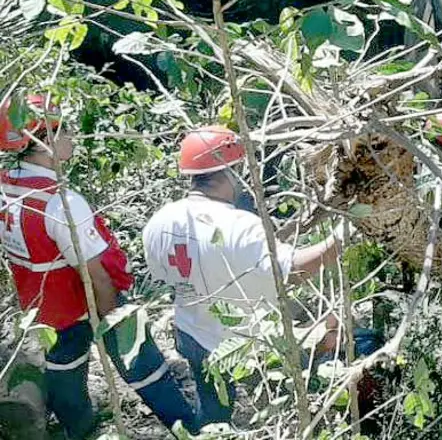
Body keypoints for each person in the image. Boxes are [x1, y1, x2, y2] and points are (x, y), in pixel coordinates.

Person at [0, 94, 197, 439]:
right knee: (142, 366)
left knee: (65, 374)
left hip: (44, 309)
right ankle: (188, 427)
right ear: (41, 141)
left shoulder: (7, 184)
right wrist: (113, 320)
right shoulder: (61, 203)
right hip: (85, 304)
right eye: (63, 130)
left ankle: (80, 429)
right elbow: (95, 274)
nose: (71, 136)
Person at [142, 126, 341, 429]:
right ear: (232, 171)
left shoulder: (158, 222)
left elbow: (164, 274)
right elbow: (291, 272)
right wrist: (339, 240)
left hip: (190, 332)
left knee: (213, 409)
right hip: (243, 342)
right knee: (288, 397)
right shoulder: (240, 225)